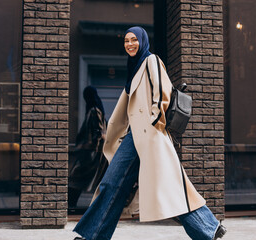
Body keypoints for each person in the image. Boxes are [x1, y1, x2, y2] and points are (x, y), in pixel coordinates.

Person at [73, 26, 227, 240]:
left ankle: (208, 228)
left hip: (150, 134)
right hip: (135, 136)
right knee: (113, 183)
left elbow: (161, 90)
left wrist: (155, 120)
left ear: (142, 41)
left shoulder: (151, 60)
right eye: (126, 40)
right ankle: (94, 235)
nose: (129, 44)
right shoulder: (133, 67)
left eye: (134, 39)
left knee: (167, 186)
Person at [69, 86, 108, 208]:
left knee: (76, 178)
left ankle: (71, 204)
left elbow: (98, 132)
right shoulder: (96, 109)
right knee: (83, 179)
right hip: (93, 152)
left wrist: (93, 149)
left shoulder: (94, 111)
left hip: (91, 152)